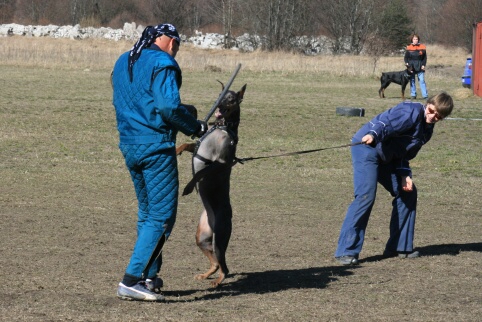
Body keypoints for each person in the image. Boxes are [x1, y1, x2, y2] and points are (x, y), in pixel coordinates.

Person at [111, 23, 208, 301]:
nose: (177, 48)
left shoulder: (123, 60)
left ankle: (149, 276)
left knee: (148, 213)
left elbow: (137, 102)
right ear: (164, 39)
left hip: (130, 144)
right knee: (162, 217)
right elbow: (166, 107)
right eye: (175, 42)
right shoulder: (163, 63)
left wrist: (185, 112)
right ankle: (131, 280)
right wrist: (196, 127)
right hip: (155, 147)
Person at [334, 92, 454, 265]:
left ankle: (399, 246)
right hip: (367, 146)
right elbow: (386, 123)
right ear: (427, 104)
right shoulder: (410, 112)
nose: (433, 116)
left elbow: (405, 154)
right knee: (366, 196)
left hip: (387, 157)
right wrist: (373, 134)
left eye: (439, 116)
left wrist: (405, 175)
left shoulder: (426, 132)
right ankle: (346, 251)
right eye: (432, 110)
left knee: (408, 193)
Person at [404, 34, 428, 100]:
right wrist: (407, 63)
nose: (415, 40)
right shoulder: (409, 47)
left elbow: (424, 58)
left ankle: (425, 95)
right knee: (412, 80)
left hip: (420, 65)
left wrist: (423, 65)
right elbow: (406, 58)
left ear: (418, 40)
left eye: (416, 39)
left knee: (422, 80)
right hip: (411, 66)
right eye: (414, 39)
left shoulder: (422, 47)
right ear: (412, 40)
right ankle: (413, 95)